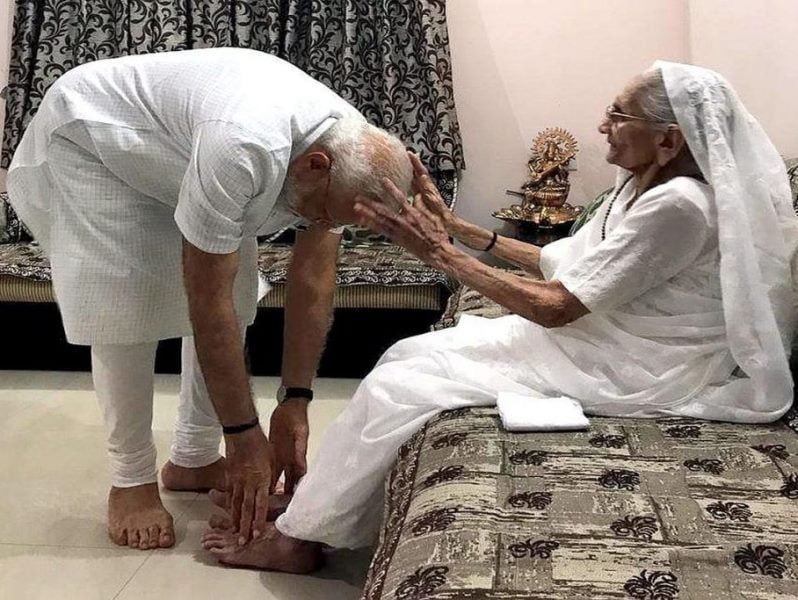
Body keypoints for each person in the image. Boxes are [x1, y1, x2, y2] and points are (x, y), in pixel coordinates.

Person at [201, 61, 798, 573]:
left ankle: (299, 541)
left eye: (619, 116)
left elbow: (558, 306)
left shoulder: (680, 207)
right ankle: (316, 513)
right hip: (609, 341)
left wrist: (441, 255)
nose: (601, 127)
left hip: (642, 364)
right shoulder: (642, 185)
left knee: (401, 383)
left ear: (669, 140)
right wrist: (459, 230)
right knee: (405, 357)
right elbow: (559, 259)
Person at [6, 47, 412, 550]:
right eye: (324, 214)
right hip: (97, 140)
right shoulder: (243, 146)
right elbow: (206, 299)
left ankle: (194, 457)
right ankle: (130, 478)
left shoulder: (348, 145)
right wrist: (244, 436)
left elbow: (312, 279)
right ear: (314, 165)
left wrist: (296, 401)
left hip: (184, 147)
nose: (323, 225)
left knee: (241, 300)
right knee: (125, 308)